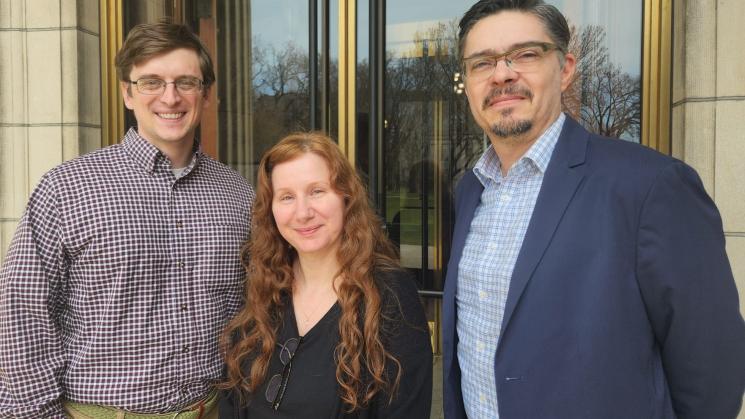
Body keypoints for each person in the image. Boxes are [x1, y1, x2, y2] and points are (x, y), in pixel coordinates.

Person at [442, 1, 745, 418]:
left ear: (565, 69)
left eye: (526, 54)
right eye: (482, 63)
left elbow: (711, 366)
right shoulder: (470, 191)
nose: (502, 74)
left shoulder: (651, 186)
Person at [0, 23, 254, 418]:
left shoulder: (237, 194)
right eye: (151, 82)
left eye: (186, 82)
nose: (170, 97)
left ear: (205, 94)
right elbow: (21, 312)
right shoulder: (67, 188)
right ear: (127, 92)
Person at [219, 132, 432, 418]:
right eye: (286, 197)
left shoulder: (390, 294)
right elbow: (233, 400)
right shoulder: (265, 284)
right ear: (270, 210)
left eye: (317, 191)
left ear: (345, 197)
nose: (303, 212)